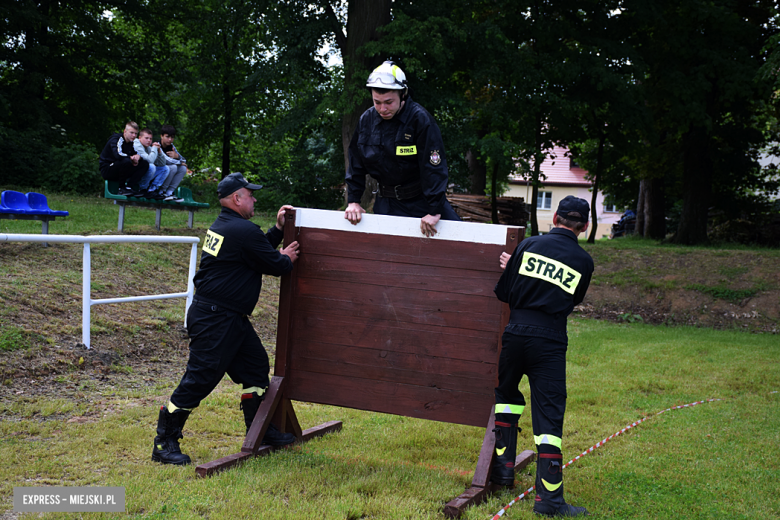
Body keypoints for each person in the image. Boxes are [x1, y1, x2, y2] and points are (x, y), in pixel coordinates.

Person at [152, 173, 301, 465]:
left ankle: (259, 430)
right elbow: (275, 264)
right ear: (237, 198)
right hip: (215, 319)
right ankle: (164, 443)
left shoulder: (227, 226)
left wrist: (277, 229)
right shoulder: (242, 230)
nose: (254, 199)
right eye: (250, 194)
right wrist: (286, 257)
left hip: (226, 316)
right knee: (200, 378)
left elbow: (255, 253)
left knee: (256, 367)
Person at [492, 195, 595, 517]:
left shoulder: (526, 246)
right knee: (548, 416)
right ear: (585, 226)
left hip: (515, 332)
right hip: (549, 340)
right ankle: (549, 502)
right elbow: (572, 299)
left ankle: (501, 473)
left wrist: (517, 270)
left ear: (554, 218)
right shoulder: (584, 261)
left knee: (506, 398)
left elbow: (503, 293)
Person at [344, 61, 460, 237]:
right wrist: (353, 201)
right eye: (377, 102)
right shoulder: (366, 121)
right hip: (386, 204)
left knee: (461, 245)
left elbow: (434, 167)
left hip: (423, 203)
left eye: (389, 102)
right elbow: (355, 163)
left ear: (403, 94)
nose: (382, 109)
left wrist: (434, 209)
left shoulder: (420, 120)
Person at [98, 121, 148, 196]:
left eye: (135, 133)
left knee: (144, 164)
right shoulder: (116, 139)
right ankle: (121, 189)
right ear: (125, 131)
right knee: (126, 161)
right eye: (131, 133)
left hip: (120, 169)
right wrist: (131, 158)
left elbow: (136, 153)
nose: (134, 135)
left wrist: (138, 157)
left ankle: (129, 187)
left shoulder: (131, 143)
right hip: (107, 169)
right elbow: (118, 155)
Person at [133, 128, 170, 200]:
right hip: (133, 176)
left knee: (165, 168)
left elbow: (162, 163)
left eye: (150, 139)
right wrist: (154, 148)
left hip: (142, 175)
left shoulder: (147, 148)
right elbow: (150, 160)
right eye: (146, 138)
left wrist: (159, 151)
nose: (149, 141)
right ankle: (142, 189)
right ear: (140, 138)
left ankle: (152, 190)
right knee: (152, 166)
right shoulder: (137, 144)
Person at [158, 124, 188, 203]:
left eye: (172, 137)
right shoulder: (157, 145)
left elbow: (184, 160)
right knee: (173, 167)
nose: (170, 139)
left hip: (167, 170)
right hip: (158, 171)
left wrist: (177, 156)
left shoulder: (171, 146)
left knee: (183, 169)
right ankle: (162, 192)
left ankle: (170, 192)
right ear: (161, 136)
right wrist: (180, 162)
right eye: (167, 137)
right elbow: (166, 160)